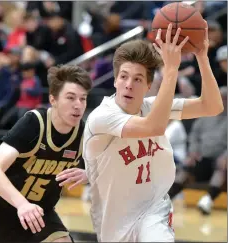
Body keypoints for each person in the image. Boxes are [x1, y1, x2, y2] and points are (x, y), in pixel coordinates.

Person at [58, 23, 224, 242]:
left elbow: (212, 106)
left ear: (148, 85)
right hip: (114, 221)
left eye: (137, 79)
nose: (128, 84)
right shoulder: (102, 117)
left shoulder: (153, 107)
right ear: (115, 80)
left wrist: (202, 57)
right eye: (124, 77)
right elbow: (153, 127)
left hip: (154, 209)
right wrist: (172, 70)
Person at [0, 64, 92, 243]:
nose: (78, 105)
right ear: (53, 99)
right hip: (2, 214)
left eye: (83, 99)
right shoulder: (34, 123)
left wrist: (89, 174)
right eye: (71, 98)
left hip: (40, 215)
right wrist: (22, 205)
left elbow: (108, 167)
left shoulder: (85, 132)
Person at [169, 86, 227, 215]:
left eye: (224, 99)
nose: (222, 101)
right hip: (202, 157)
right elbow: (194, 135)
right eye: (220, 98)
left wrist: (225, 156)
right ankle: (166, 201)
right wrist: (193, 151)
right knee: (187, 167)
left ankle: (207, 200)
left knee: (222, 167)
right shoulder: (206, 117)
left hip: (220, 160)